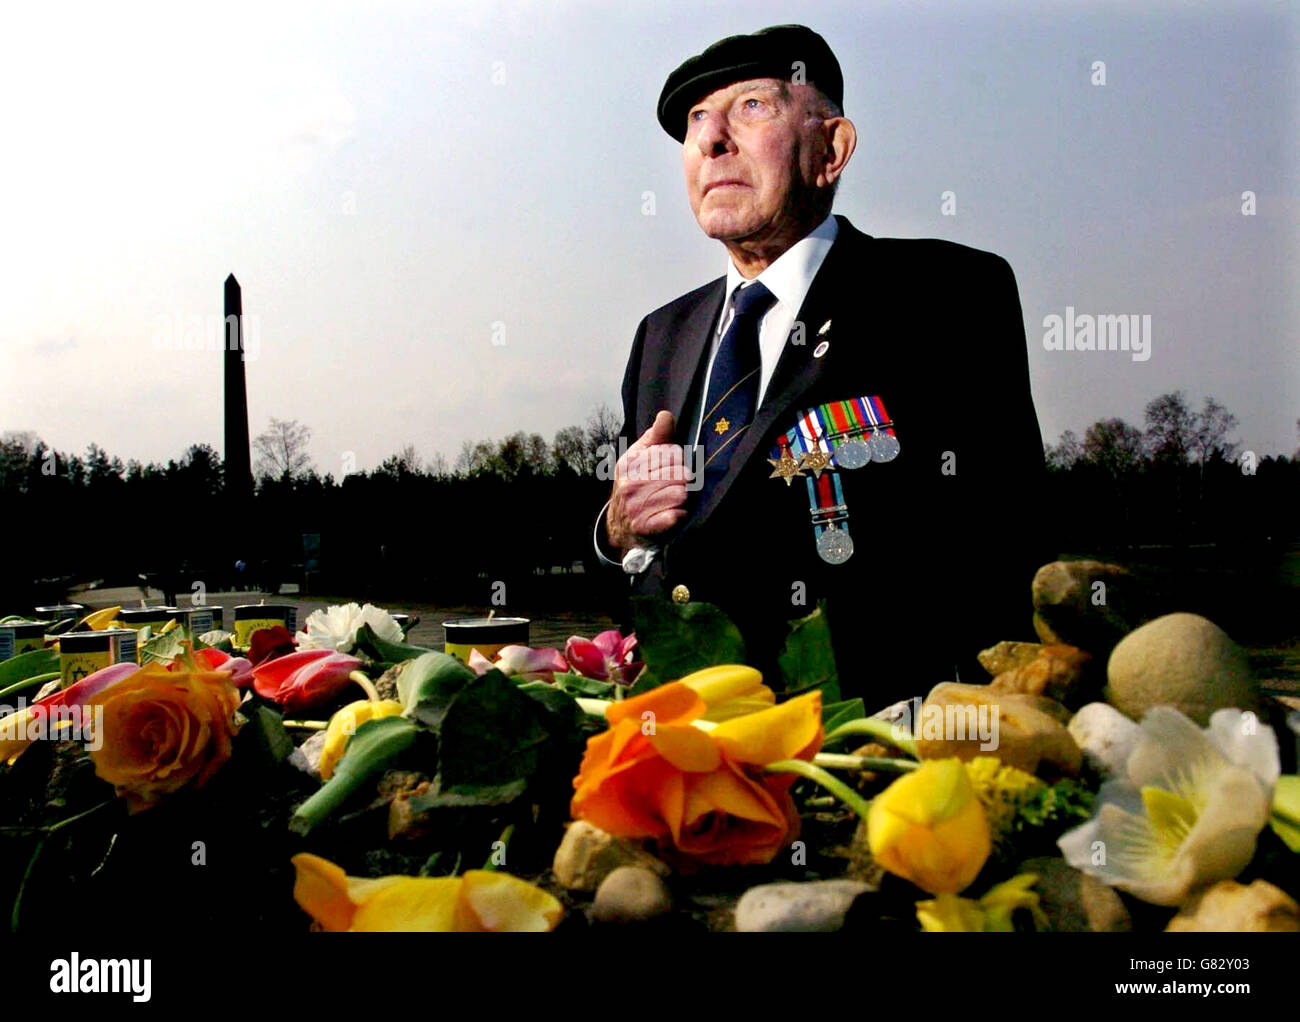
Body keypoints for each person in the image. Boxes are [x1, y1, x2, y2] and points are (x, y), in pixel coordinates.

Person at [595, 25, 1048, 706]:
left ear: (831, 149)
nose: (713, 139)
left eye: (752, 107)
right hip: (688, 751)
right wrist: (617, 532)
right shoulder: (661, 334)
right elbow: (644, 585)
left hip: (866, 756)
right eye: (697, 123)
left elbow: (1004, 548)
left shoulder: (944, 294)